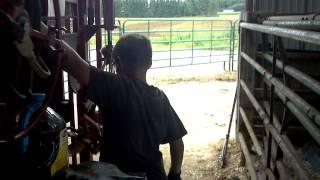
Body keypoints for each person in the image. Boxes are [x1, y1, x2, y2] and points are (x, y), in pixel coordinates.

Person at [61, 34, 187, 180]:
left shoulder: (115, 87)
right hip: (154, 175)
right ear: (149, 63)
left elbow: (70, 60)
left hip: (119, 175)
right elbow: (177, 143)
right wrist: (175, 174)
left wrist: (42, 30)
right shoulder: (160, 97)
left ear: (118, 63)